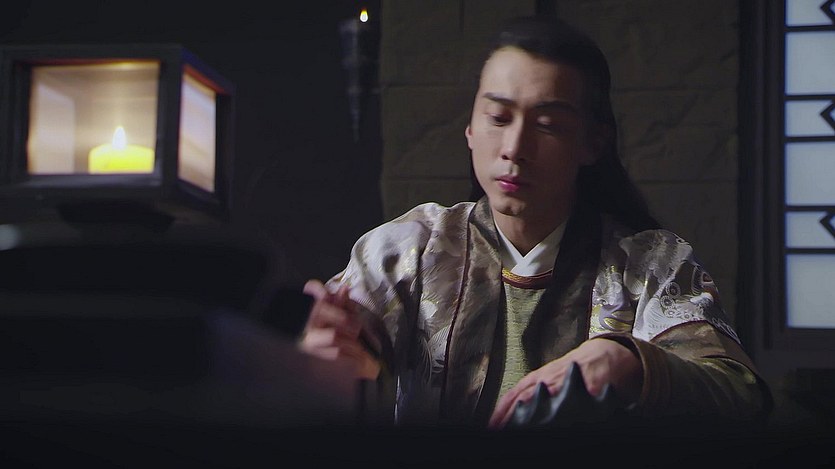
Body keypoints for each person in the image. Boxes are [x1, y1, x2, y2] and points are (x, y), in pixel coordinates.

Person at [297, 14, 772, 430]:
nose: (514, 148)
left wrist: (629, 363)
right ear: (470, 129)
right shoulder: (410, 249)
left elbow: (740, 394)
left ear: (592, 143)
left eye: (547, 125)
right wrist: (323, 356)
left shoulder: (651, 265)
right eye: (498, 117)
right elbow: (335, 362)